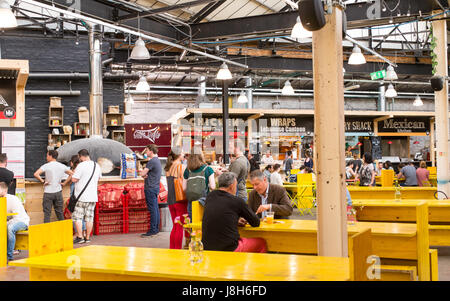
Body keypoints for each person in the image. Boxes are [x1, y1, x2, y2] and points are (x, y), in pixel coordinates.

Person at [202, 172, 267, 253]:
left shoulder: (210, 197)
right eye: (236, 186)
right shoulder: (237, 201)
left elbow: (220, 214)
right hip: (229, 249)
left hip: (207, 247)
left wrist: (235, 220)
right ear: (232, 186)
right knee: (261, 242)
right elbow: (256, 222)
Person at [71, 149, 102, 244]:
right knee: (89, 218)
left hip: (81, 196)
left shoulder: (81, 165)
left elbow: (74, 179)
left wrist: (74, 172)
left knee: (77, 217)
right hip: (92, 196)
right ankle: (87, 237)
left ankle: (80, 236)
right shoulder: (96, 165)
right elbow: (99, 178)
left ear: (81, 156)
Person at [33, 150, 73, 223]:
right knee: (59, 213)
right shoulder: (61, 166)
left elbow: (36, 174)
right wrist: (65, 183)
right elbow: (72, 174)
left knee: (47, 214)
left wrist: (43, 181)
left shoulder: (46, 166)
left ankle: (47, 233)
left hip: (48, 192)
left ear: (51, 156)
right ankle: (63, 231)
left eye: (47, 155)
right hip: (58, 192)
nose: (46, 157)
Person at [165, 150, 189, 249]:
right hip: (180, 200)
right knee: (180, 226)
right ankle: (177, 249)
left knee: (175, 226)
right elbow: (186, 184)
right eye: (182, 152)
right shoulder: (181, 167)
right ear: (178, 155)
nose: (184, 154)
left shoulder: (168, 168)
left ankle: (173, 248)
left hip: (170, 200)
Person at [1, 182, 29, 262]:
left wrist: (4, 224)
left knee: (10, 228)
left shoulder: (13, 199)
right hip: (8, 221)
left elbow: (17, 218)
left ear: (5, 191)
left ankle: (9, 256)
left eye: (2, 195)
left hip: (22, 221)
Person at [183, 152, 215, 220]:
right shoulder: (208, 169)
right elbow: (213, 187)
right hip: (204, 201)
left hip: (191, 201)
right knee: (204, 223)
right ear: (201, 157)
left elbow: (184, 188)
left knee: (193, 223)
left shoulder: (187, 170)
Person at [139, 144, 162, 237]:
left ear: (151, 151)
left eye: (147, 151)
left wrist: (143, 173)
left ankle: (152, 230)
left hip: (150, 188)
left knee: (153, 209)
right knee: (155, 209)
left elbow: (142, 173)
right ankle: (156, 229)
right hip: (155, 187)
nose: (146, 152)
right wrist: (145, 174)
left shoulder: (152, 161)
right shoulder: (157, 161)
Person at [62, 155, 86, 238]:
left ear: (72, 163)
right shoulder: (83, 168)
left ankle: (77, 233)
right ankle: (83, 232)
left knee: (75, 214)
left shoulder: (75, 170)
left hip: (75, 196)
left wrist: (64, 183)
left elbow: (71, 176)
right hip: (82, 195)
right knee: (81, 214)